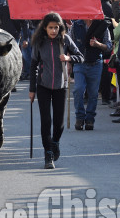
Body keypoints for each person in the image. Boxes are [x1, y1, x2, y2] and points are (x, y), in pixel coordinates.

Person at [28, 12, 84, 169]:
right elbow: (33, 66)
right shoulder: (39, 42)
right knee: (46, 121)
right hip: (43, 86)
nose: (53, 31)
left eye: (56, 27)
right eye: (50, 27)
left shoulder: (65, 40)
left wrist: (68, 58)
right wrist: (32, 89)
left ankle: (55, 142)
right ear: (45, 27)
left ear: (60, 28)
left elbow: (80, 56)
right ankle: (48, 154)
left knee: (59, 123)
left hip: (61, 86)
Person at [69, 17, 112, 131]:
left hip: (95, 63)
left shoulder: (102, 25)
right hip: (79, 63)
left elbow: (108, 46)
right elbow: (69, 44)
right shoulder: (76, 25)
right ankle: (79, 117)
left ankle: (89, 119)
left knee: (93, 94)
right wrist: (68, 62)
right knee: (78, 90)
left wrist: (98, 44)